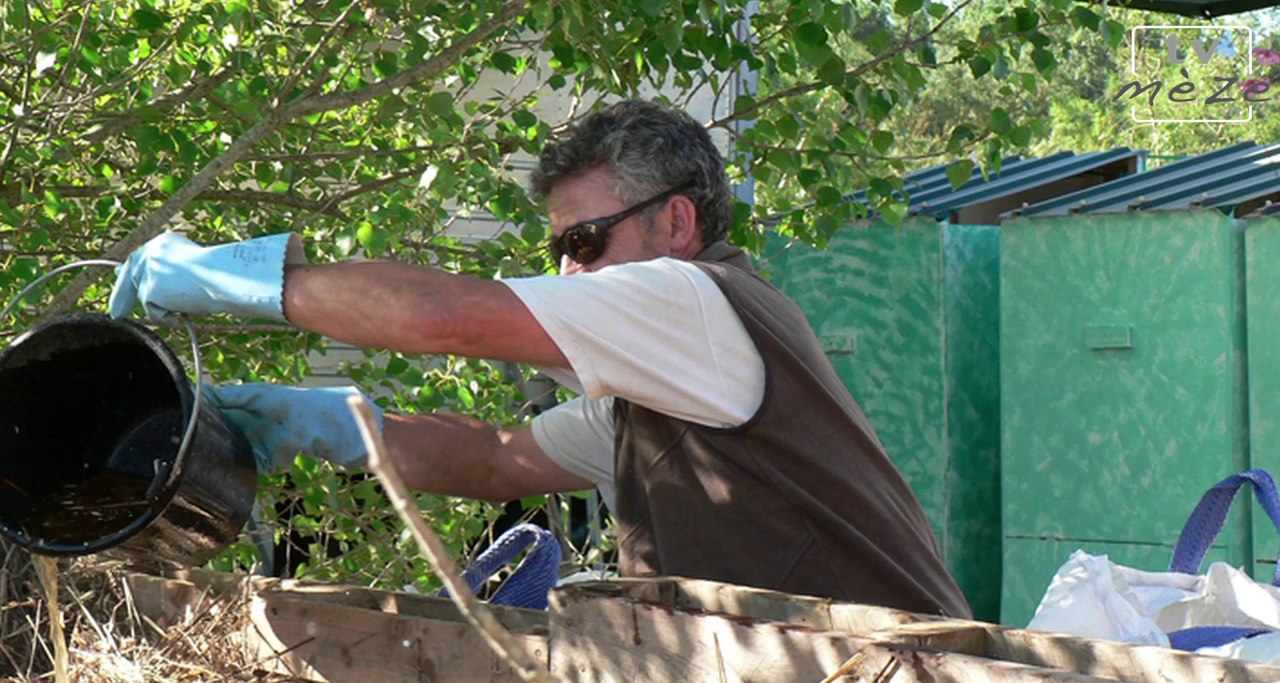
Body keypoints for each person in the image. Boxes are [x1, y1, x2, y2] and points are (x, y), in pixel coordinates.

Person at [109, 99, 971, 618]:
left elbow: (447, 318)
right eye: (559, 246)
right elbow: (492, 459)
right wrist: (328, 424)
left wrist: (236, 277)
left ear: (676, 223)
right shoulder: (659, 389)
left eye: (587, 240)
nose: (568, 271)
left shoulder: (692, 300)